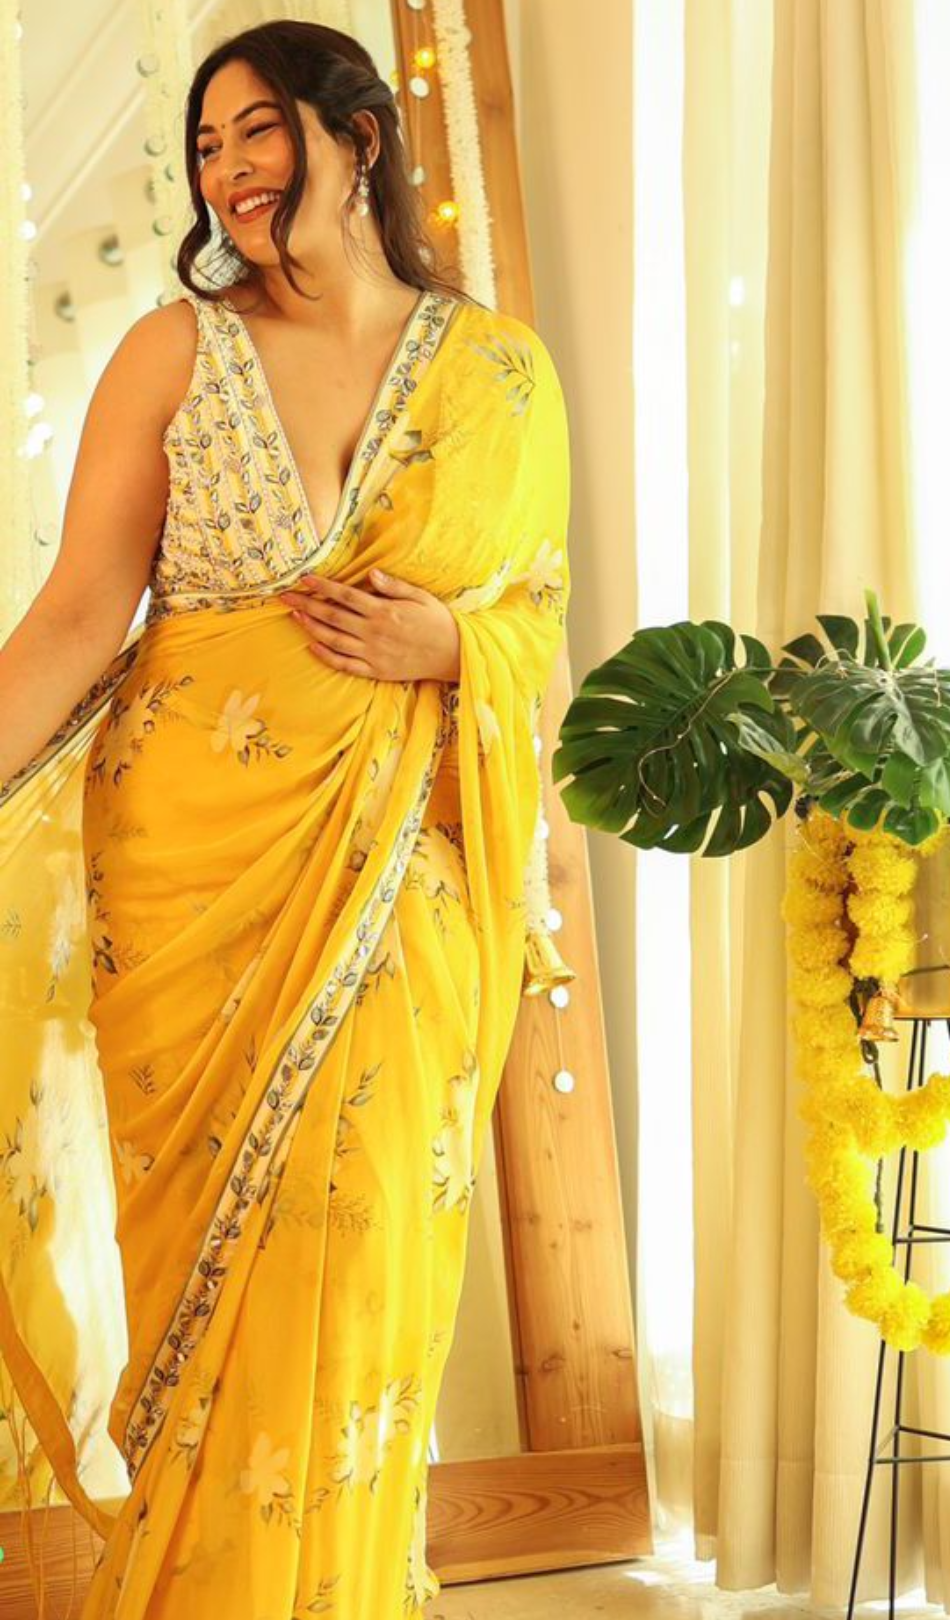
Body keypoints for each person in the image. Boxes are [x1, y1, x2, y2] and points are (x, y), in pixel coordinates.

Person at [0, 19, 570, 1617]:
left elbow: (532, 622)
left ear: (358, 137)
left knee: (362, 1261)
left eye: (257, 132)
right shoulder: (169, 355)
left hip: (396, 889)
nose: (229, 174)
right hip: (185, 892)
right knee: (213, 1307)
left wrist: (451, 644)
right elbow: (76, 617)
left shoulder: (497, 376)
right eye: (207, 147)